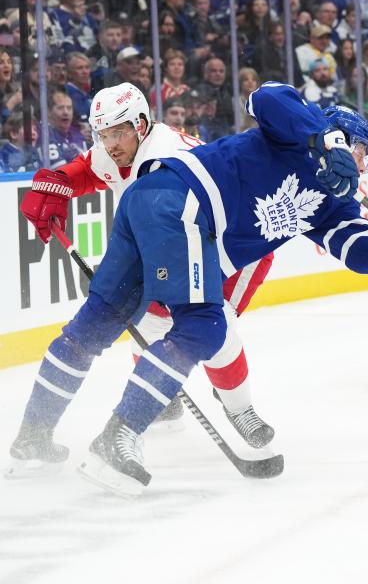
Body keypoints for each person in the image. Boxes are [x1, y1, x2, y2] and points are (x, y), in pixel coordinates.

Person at [8, 85, 368, 495]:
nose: (361, 168)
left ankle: (32, 437)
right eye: (360, 155)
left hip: (153, 207)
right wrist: (323, 139)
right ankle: (118, 435)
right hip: (182, 204)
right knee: (205, 327)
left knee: (95, 324)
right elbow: (267, 96)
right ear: (343, 143)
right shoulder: (294, 137)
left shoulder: (331, 207)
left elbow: (358, 248)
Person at [6, 82, 284, 477]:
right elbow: (89, 168)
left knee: (215, 333)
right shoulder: (122, 147)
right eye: (101, 134)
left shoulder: (170, 160)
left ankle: (239, 408)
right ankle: (34, 432)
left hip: (230, 247)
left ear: (140, 124)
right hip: (163, 235)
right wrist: (58, 181)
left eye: (116, 133)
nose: (109, 144)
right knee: (124, 325)